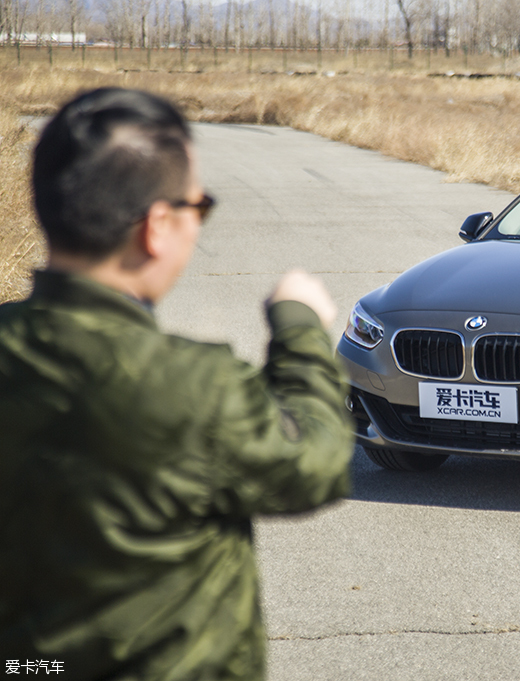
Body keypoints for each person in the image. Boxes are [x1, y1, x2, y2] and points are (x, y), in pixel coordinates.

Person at [0, 88, 354, 679]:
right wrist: (300, 332)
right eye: (200, 206)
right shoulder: (196, 387)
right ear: (157, 226)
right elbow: (316, 462)